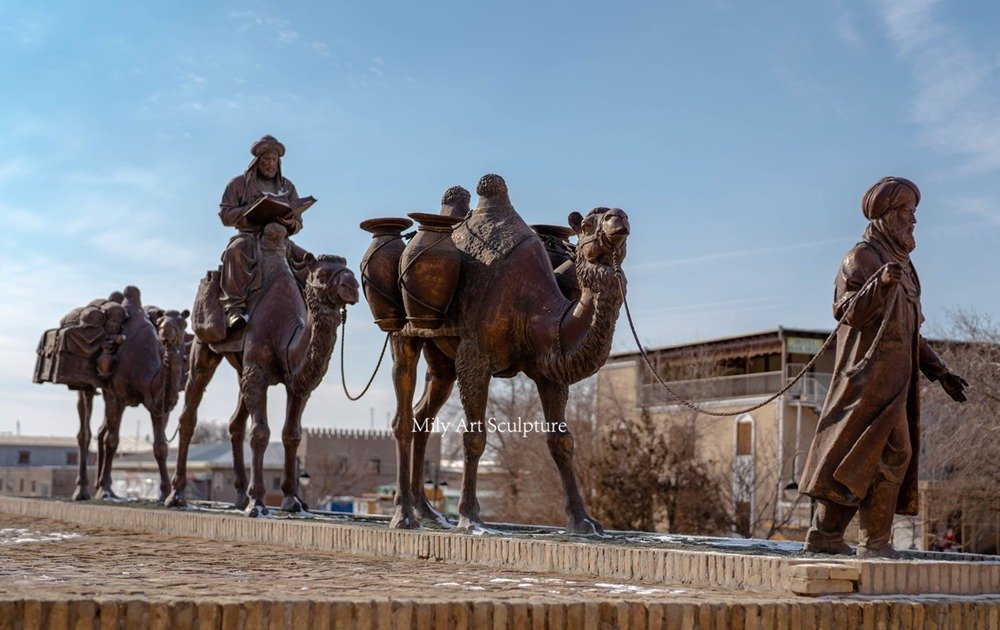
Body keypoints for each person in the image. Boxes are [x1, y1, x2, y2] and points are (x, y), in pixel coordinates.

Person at [798, 176, 968, 559]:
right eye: (907, 212)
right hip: (866, 382)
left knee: (870, 458)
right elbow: (847, 314)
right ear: (886, 215)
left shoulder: (907, 268)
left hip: (895, 383)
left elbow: (911, 333)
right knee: (876, 455)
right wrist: (878, 284)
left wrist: (940, 372)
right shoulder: (861, 257)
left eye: (914, 212)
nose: (914, 221)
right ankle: (869, 542)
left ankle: (830, 536)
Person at [218, 135, 313, 329]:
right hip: (250, 237)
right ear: (257, 161)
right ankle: (235, 309)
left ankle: (311, 311)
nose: (270, 164)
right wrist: (252, 210)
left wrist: (289, 220)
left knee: (310, 262)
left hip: (280, 239)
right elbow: (225, 214)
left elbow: (298, 223)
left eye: (273, 160)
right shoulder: (238, 184)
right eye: (266, 159)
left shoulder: (287, 187)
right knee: (235, 251)